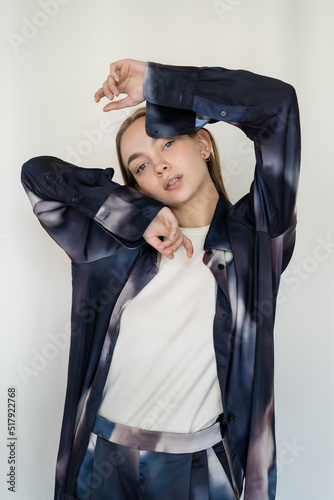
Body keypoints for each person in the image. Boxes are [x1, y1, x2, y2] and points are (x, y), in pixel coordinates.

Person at [21, 58, 301, 500]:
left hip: (197, 469)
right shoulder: (110, 245)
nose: (160, 168)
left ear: (204, 143)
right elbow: (37, 174)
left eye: (167, 144)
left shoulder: (258, 240)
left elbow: (278, 107)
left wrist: (160, 84)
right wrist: (134, 214)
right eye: (141, 166)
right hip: (101, 460)